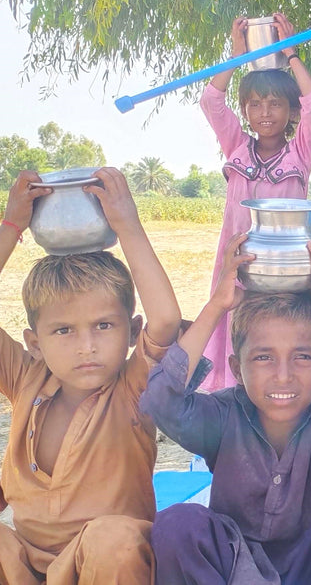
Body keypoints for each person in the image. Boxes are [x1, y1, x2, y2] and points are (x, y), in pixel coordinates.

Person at [142, 233, 311, 584]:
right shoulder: (222, 417)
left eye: (303, 357)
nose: (283, 376)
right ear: (235, 368)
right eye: (263, 358)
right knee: (178, 524)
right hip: (232, 564)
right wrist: (216, 305)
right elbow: (160, 400)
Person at [0, 168, 182, 584]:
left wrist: (126, 223)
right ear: (34, 343)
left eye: (104, 326)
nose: (87, 346)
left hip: (104, 568)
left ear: (133, 332)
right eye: (64, 331)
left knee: (112, 538)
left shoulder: (135, 388)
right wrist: (11, 224)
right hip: (25, 567)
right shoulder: (26, 379)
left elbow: (168, 320)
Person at [200, 12, 311, 390]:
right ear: (245, 111)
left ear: (291, 111)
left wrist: (291, 55)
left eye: (275, 104)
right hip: (239, 271)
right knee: (239, 344)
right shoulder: (236, 146)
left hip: (285, 273)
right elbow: (211, 101)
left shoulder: (300, 154)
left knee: (278, 342)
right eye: (254, 105)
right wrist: (237, 56)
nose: (265, 113)